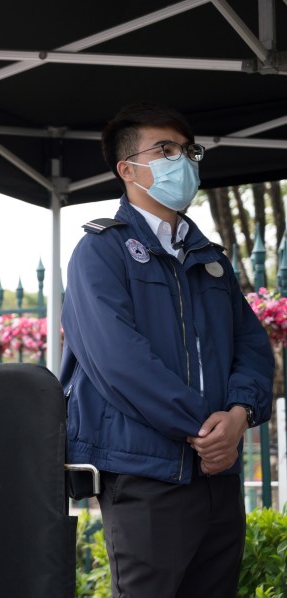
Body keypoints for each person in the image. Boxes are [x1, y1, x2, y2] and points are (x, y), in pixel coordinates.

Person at [60, 101, 274, 598]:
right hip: (146, 474)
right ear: (127, 169)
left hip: (217, 474)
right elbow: (120, 361)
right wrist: (205, 428)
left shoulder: (209, 258)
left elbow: (253, 348)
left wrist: (240, 415)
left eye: (188, 150)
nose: (184, 161)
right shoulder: (101, 251)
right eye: (167, 150)